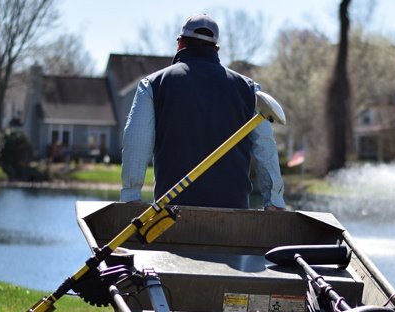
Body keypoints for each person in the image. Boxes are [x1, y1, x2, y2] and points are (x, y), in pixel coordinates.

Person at [120, 13, 285, 210]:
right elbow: (265, 148)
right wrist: (274, 201)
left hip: (170, 216)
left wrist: (131, 197)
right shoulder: (249, 90)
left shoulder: (153, 85)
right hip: (234, 215)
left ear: (180, 44)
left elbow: (136, 144)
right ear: (216, 49)